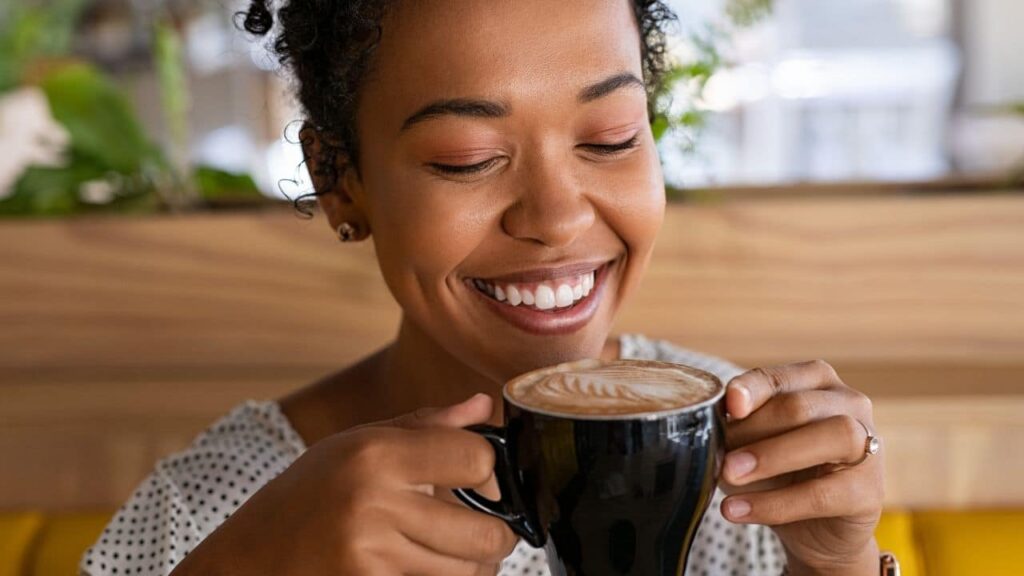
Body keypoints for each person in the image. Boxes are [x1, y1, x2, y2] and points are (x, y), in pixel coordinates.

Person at [80, 1, 885, 574]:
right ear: (339, 180)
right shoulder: (215, 509)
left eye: (610, 140)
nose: (558, 217)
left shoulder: (738, 467)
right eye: (466, 158)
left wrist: (837, 568)